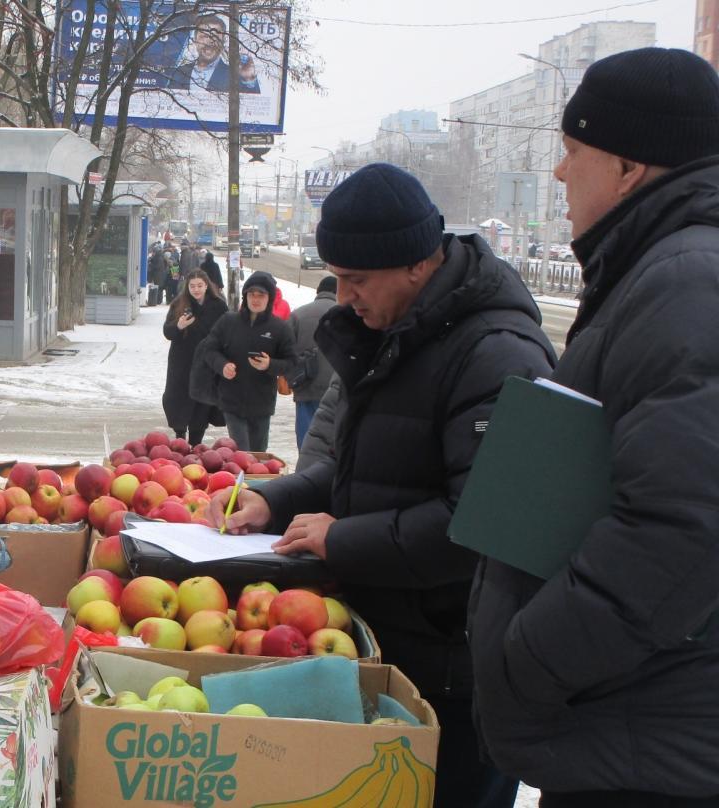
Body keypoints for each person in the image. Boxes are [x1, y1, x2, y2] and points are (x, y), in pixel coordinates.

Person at [207, 163, 555, 808]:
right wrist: (277, 498)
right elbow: (375, 467)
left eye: (356, 280)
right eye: (337, 278)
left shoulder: (498, 356)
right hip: (395, 647)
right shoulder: (402, 332)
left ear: (418, 265)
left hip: (455, 674)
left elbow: (486, 527)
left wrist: (345, 539)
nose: (343, 298)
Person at [469, 48, 719, 807]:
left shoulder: (688, 282)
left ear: (628, 168)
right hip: (635, 727)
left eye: (572, 151)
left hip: (649, 747)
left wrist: (527, 660)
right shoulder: (661, 270)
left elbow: (680, 530)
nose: (557, 174)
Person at [194, 270, 295, 452]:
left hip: (262, 402)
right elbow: (209, 349)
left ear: (269, 298)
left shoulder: (280, 328)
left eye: (261, 295)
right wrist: (222, 365)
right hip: (232, 399)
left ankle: (256, 480)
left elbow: (292, 363)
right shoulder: (228, 321)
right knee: (241, 452)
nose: (255, 299)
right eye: (251, 294)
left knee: (257, 454)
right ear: (245, 296)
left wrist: (270, 365)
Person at [162, 270, 228, 445]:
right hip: (182, 361)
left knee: (202, 400)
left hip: (206, 361)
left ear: (207, 286)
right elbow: (167, 332)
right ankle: (179, 438)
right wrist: (179, 325)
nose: (196, 290)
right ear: (187, 287)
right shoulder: (179, 304)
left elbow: (226, 333)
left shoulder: (219, 306)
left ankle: (196, 442)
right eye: (192, 286)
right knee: (179, 398)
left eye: (200, 286)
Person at [288, 275, 337, 448]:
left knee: (306, 434)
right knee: (333, 436)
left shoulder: (298, 314)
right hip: (336, 386)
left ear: (318, 292)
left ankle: (305, 469)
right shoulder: (346, 313)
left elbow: (286, 349)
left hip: (305, 385)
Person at [167, 14, 260, 94]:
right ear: (195, 40)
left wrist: (248, 78)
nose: (210, 41)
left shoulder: (235, 76)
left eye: (215, 36)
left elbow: (252, 109)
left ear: (223, 41)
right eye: (204, 36)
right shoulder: (179, 73)